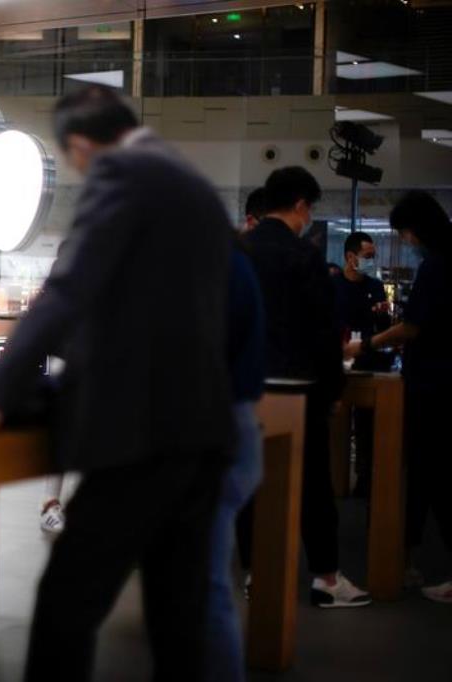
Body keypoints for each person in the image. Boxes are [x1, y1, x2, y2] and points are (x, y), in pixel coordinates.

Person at [0, 84, 234, 682]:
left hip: (138, 434)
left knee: (66, 606)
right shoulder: (193, 185)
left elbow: (70, 289)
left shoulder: (124, 174)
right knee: (177, 616)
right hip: (201, 426)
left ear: (80, 146)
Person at [244, 166, 371, 608]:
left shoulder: (240, 250)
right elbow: (323, 330)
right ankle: (326, 578)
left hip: (247, 387)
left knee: (252, 482)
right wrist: (333, 389)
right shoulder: (305, 256)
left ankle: (255, 572)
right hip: (297, 388)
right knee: (313, 484)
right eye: (310, 208)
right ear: (300, 205)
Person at [346, 191, 452, 603]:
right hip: (438, 381)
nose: (404, 241)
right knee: (430, 474)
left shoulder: (436, 266)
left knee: (430, 473)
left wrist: (367, 345)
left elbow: (412, 327)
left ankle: (405, 559)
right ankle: (406, 559)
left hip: (434, 386)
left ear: (413, 230)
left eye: (403, 234)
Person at [206, 236, 266, 682]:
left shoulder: (211, 272)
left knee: (203, 588)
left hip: (210, 436)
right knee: (204, 585)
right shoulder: (236, 266)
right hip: (235, 429)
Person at [333, 231, 392, 497]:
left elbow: (384, 328)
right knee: (336, 423)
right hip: (339, 363)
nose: (371, 260)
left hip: (369, 362)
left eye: (373, 256)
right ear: (350, 257)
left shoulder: (375, 287)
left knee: (367, 425)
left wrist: (382, 315)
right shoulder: (333, 286)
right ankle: (335, 477)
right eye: (367, 256)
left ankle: (366, 478)